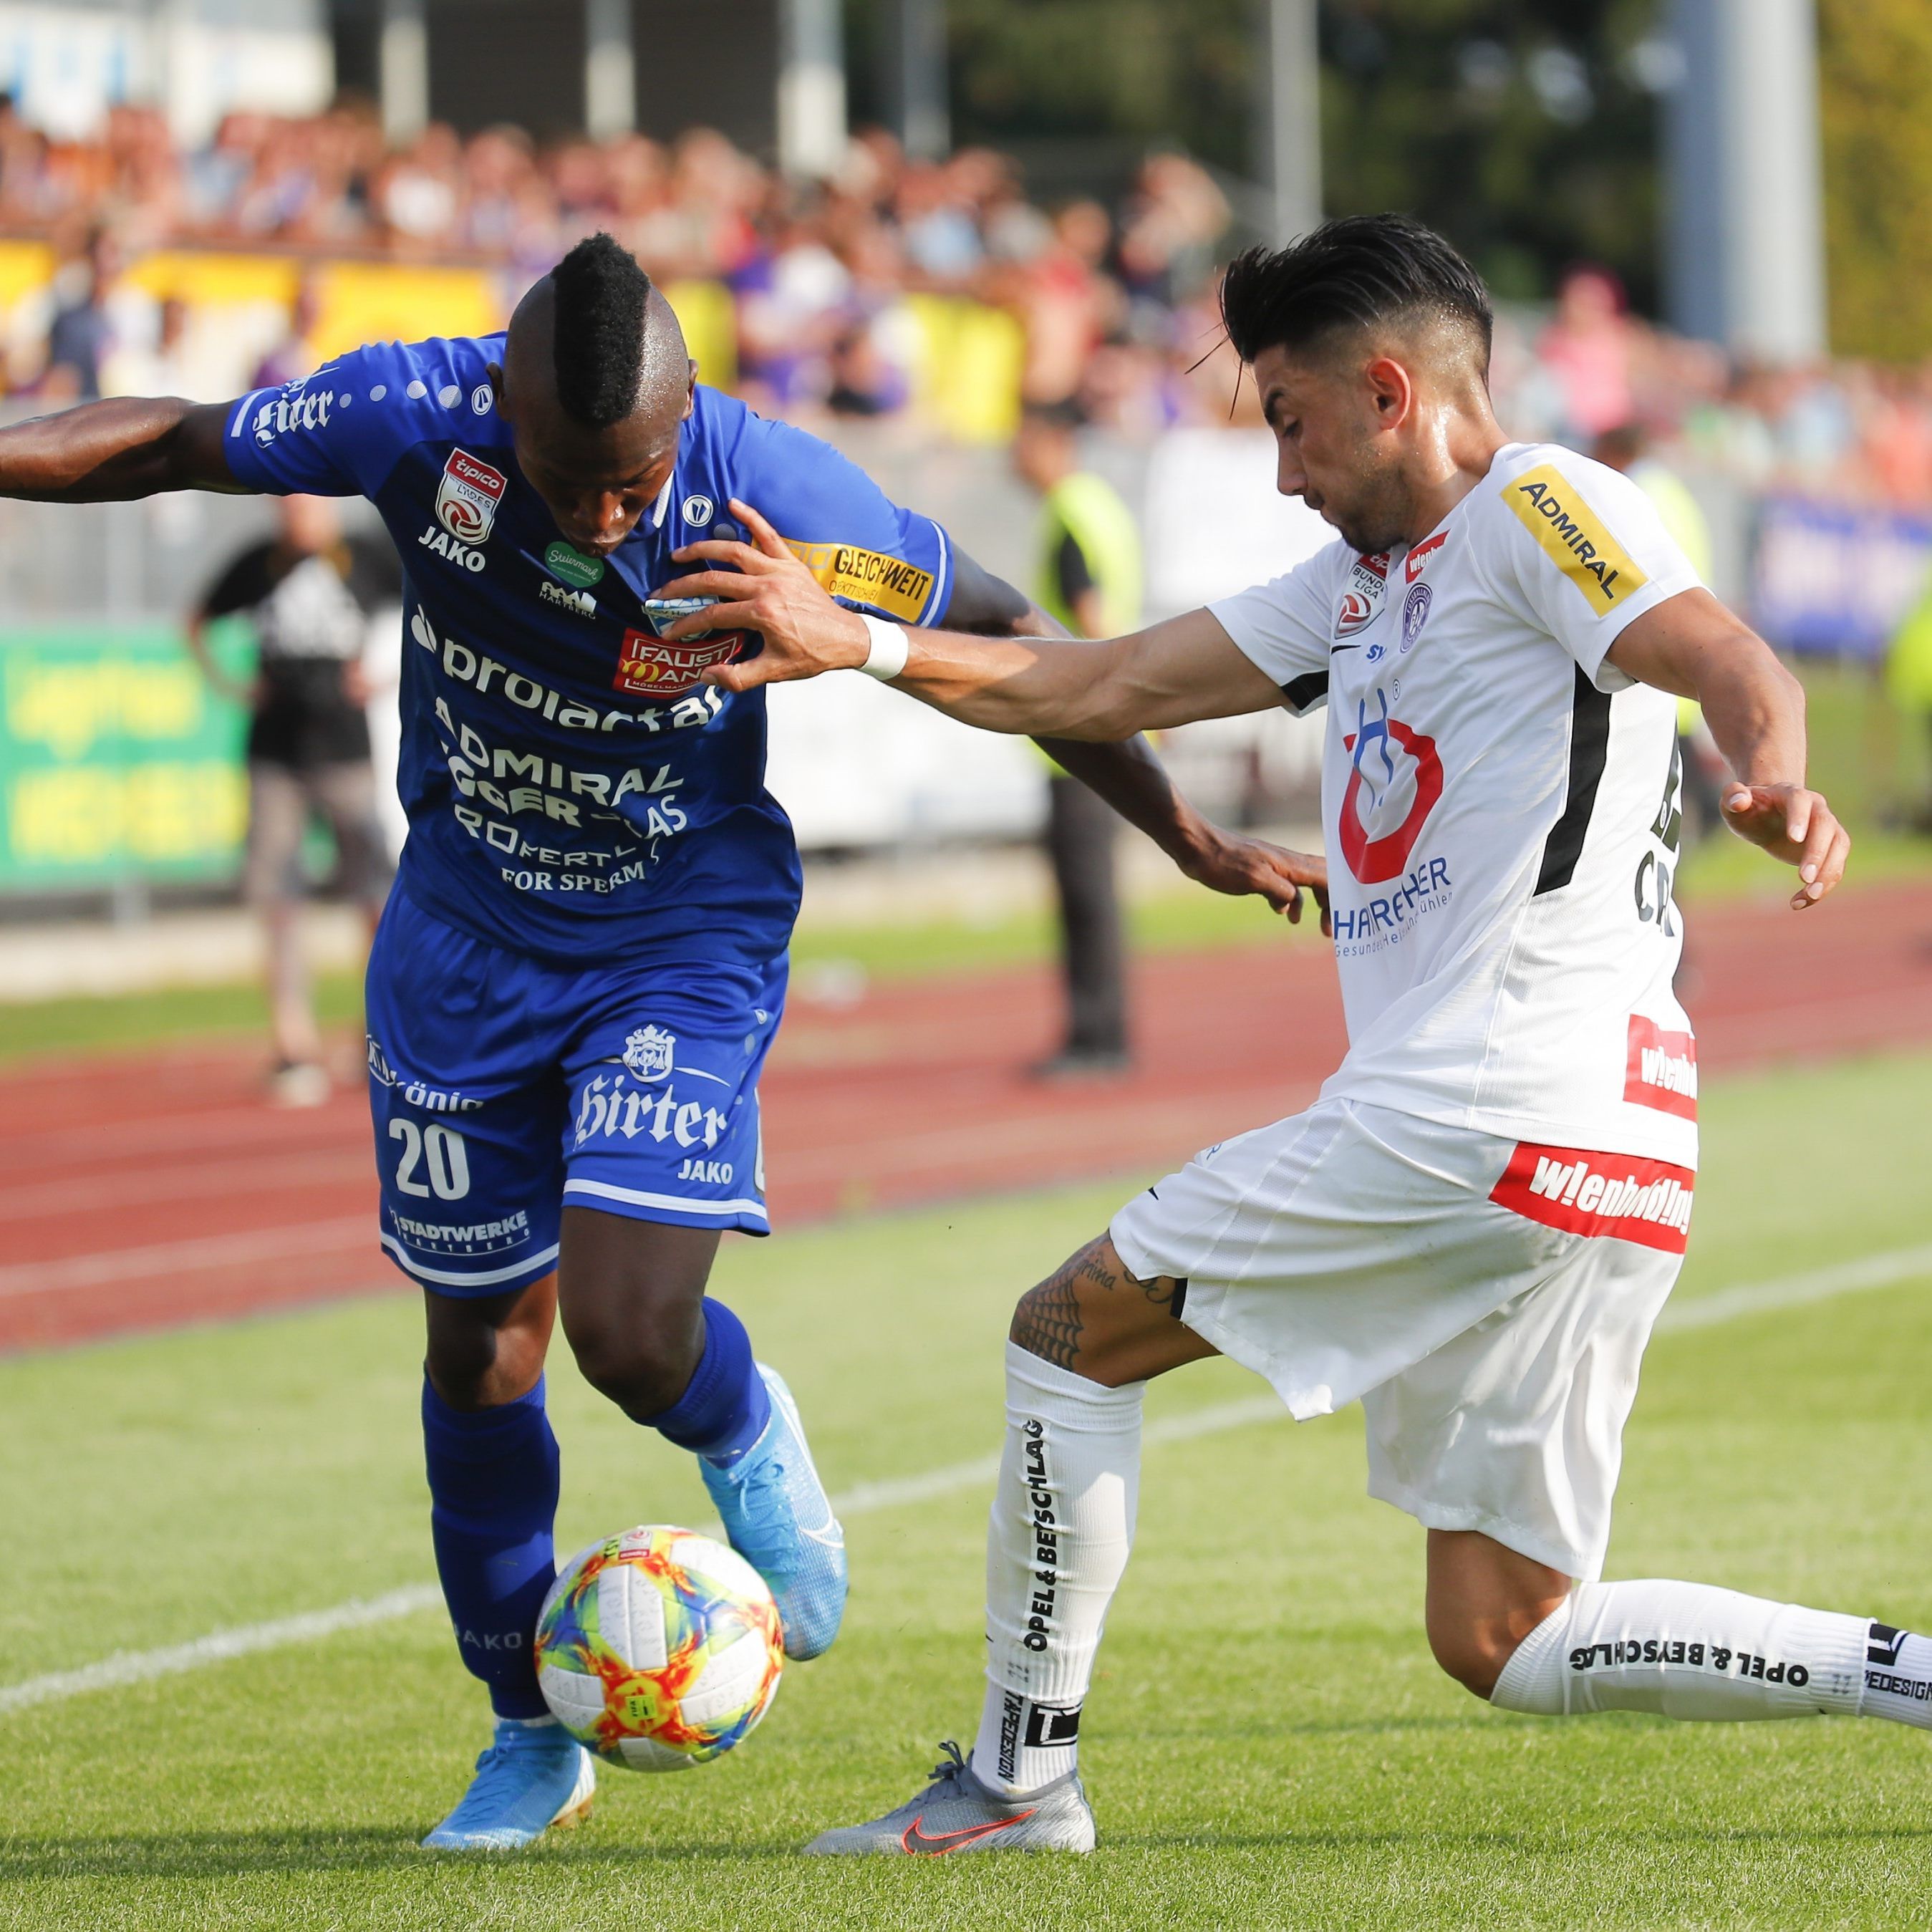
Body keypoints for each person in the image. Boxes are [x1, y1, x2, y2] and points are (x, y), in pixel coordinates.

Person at [0, 233, 1317, 1851]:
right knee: (480, 1349)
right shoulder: (411, 418)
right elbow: (171, 439)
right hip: (461, 940)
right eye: (568, 480)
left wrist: (1177, 830)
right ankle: (520, 1731)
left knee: (626, 1337)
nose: (604, 514)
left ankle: (746, 1428)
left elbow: (1002, 625)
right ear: (503, 411)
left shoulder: (777, 492)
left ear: (684, 422)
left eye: (631, 483)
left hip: (674, 939)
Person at [653, 216, 1931, 1862]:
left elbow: (1722, 655)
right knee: (1505, 1637)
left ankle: (1014, 1781)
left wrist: (1766, 770)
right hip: (1613, 1146)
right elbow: (1100, 682)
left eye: (1285, 417)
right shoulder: (1357, 586)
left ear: (1388, 390)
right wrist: (868, 640)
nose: (1278, 469)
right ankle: (1907, 1674)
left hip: (1484, 1100)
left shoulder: (1535, 503)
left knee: (1069, 1331)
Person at [187, 493, 399, 1105]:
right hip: (275, 756)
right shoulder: (259, 562)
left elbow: (436, 607)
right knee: (278, 900)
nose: (294, 511)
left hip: (346, 753)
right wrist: (231, 683)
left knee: (376, 897)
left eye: (305, 502)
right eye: (285, 502)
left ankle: (375, 1035)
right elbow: (196, 622)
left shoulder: (362, 556)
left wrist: (385, 675)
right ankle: (293, 1043)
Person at [1012, 399, 1146, 1077]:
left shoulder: (1069, 515)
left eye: (1023, 435)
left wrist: (1103, 703)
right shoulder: (1099, 506)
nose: (1013, 451)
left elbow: (1091, 617)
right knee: (1095, 893)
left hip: (1082, 737)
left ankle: (1098, 1039)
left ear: (1052, 439)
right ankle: (1102, 1034)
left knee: (1085, 895)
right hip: (1100, 728)